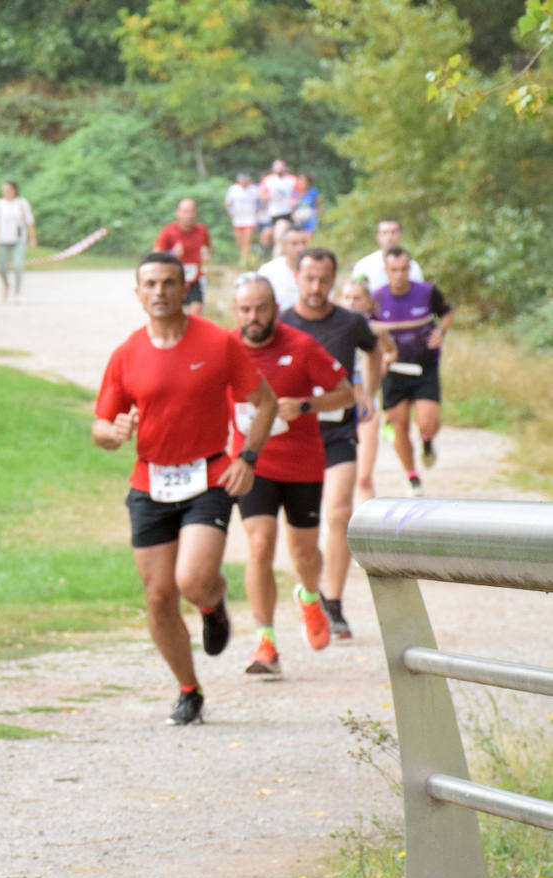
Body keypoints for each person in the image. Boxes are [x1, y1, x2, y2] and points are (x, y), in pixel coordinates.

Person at [92, 252, 275, 726]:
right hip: (150, 480)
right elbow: (101, 424)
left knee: (191, 580)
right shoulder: (127, 353)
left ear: (184, 288)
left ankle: (212, 603)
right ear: (138, 293)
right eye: (150, 284)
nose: (159, 292)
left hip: (208, 476)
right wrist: (111, 435)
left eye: (168, 282)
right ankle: (189, 690)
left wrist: (248, 457)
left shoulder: (217, 342)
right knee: (158, 596)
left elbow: (265, 401)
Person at [229, 274, 353, 677]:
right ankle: (265, 642)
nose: (254, 317)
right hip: (252, 464)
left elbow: (346, 393)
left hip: (301, 463)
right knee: (260, 544)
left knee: (304, 553)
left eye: (261, 308)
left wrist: (305, 404)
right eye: (245, 309)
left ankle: (310, 596)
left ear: (274, 308)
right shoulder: (225, 349)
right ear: (235, 312)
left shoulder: (299, 345)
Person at [280, 248, 382, 640]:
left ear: (334, 280)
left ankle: (334, 603)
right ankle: (310, 590)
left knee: (339, 511)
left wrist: (368, 392)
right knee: (300, 527)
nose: (316, 287)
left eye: (324, 279)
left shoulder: (351, 322)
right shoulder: (284, 321)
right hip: (295, 434)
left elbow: (373, 350)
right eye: (309, 278)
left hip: (337, 429)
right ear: (297, 278)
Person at [372, 247, 454, 496]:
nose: (399, 274)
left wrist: (440, 332)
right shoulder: (376, 298)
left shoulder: (427, 292)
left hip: (423, 366)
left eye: (404, 269)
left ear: (410, 269)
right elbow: (368, 332)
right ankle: (412, 477)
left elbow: (447, 313)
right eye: (394, 270)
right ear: (386, 271)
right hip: (394, 370)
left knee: (427, 422)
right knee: (399, 425)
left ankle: (427, 441)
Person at [339, 278, 396, 503]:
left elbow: (390, 352)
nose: (351, 303)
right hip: (337, 405)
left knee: (363, 477)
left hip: (366, 404)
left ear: (368, 302)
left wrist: (382, 365)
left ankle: (364, 530)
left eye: (357, 298)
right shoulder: (331, 329)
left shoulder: (376, 330)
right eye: (347, 297)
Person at [153, 198, 213, 315]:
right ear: (178, 213)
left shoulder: (201, 230)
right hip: (174, 279)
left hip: (194, 278)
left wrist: (206, 253)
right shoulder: (168, 231)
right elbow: (155, 255)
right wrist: (171, 253)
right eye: (185, 212)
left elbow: (208, 248)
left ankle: (193, 333)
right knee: (174, 314)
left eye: (192, 211)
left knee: (196, 311)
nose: (189, 215)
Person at [0, 178, 37, 301]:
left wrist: (32, 238)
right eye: (4, 190)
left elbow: (29, 221)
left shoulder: (21, 203)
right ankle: (6, 285)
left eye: (8, 189)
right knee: (2, 267)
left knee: (18, 265)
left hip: (18, 240)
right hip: (3, 240)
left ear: (14, 190)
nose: (6, 192)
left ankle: (17, 292)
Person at [351, 218, 423, 292]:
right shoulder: (363, 266)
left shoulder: (413, 266)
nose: (390, 237)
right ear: (378, 236)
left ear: (400, 235)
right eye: (385, 232)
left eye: (394, 232)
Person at [257, 225, 309, 315]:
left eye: (303, 243)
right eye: (295, 244)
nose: (301, 248)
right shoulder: (268, 271)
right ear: (284, 245)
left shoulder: (315, 272)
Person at [259, 159, 299, 253]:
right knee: (265, 235)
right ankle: (265, 255)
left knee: (279, 237)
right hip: (271, 213)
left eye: (281, 167)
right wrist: (268, 196)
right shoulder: (268, 180)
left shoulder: (292, 179)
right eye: (277, 167)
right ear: (273, 168)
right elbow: (261, 194)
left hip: (285, 213)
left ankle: (276, 260)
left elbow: (299, 194)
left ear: (285, 167)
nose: (279, 169)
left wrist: (294, 203)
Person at [224, 172, 259, 267]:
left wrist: (258, 212)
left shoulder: (254, 190)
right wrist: (230, 212)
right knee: (239, 240)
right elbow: (227, 203)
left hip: (249, 218)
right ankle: (248, 254)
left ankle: (244, 259)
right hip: (238, 219)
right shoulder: (234, 189)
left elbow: (260, 201)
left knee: (247, 239)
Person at [292, 173, 322, 237]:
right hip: (299, 219)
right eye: (299, 180)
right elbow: (292, 208)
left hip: (311, 219)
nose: (300, 182)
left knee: (309, 236)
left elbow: (320, 206)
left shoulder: (314, 192)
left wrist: (316, 215)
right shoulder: (295, 193)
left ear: (308, 182)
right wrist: (294, 217)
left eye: (302, 180)